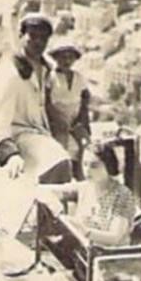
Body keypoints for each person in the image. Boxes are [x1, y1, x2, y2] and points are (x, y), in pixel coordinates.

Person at [0, 12, 71, 182]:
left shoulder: (45, 70)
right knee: (58, 161)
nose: (38, 42)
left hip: (40, 134)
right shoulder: (9, 73)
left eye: (43, 38)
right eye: (33, 36)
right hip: (18, 136)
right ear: (21, 36)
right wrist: (10, 155)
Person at [38, 144, 137, 247]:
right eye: (85, 164)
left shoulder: (123, 195)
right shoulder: (85, 187)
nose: (87, 170)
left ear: (109, 166)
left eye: (94, 165)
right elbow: (49, 190)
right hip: (86, 253)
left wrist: (83, 231)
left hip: (111, 257)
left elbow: (115, 238)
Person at [45, 40, 91, 180]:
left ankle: (81, 179)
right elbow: (45, 101)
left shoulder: (78, 77)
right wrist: (57, 120)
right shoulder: (50, 77)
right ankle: (62, 180)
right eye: (63, 57)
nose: (66, 61)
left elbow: (85, 99)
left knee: (85, 146)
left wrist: (81, 122)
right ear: (56, 58)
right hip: (56, 122)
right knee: (62, 151)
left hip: (75, 120)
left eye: (70, 57)